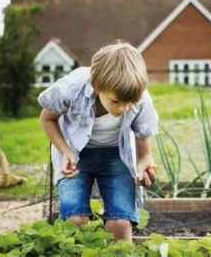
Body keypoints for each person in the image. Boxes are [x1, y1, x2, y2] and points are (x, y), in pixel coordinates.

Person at [38, 42, 159, 242]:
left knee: (120, 224)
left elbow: (144, 153)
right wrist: (65, 151)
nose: (124, 108)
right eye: (116, 101)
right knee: (75, 220)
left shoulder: (140, 99)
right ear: (97, 86)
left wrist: (143, 168)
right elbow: (47, 118)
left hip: (116, 156)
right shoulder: (72, 88)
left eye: (131, 102)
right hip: (75, 157)